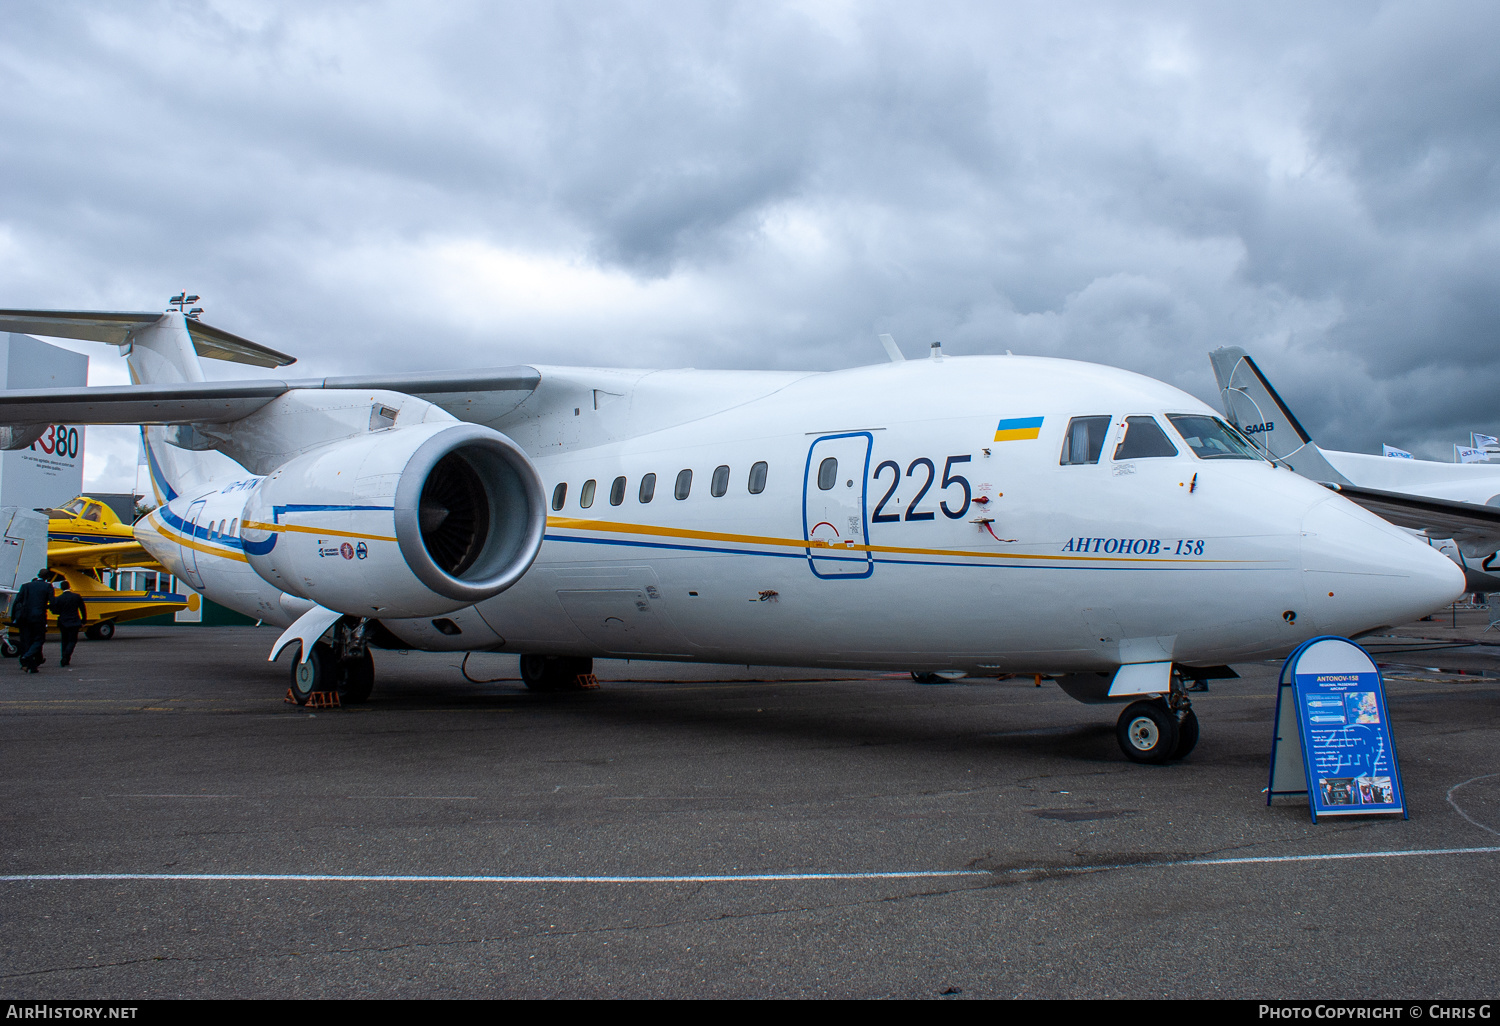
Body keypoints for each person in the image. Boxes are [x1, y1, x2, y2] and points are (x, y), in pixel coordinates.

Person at [10, 571, 54, 673]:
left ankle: (31, 665)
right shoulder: (47, 586)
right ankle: (27, 656)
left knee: (26, 641)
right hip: (39, 617)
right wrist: (50, 608)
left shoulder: (25, 586)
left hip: (25, 617)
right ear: (47, 577)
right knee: (39, 640)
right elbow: (52, 602)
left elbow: (17, 602)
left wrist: (14, 617)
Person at [50, 578, 86, 668]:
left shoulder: (58, 599)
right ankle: (67, 656)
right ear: (69, 587)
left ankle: (64, 657)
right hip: (74, 621)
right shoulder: (76, 596)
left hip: (63, 621)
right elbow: (82, 609)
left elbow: (54, 610)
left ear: (61, 588)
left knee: (64, 640)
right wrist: (83, 620)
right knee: (72, 640)